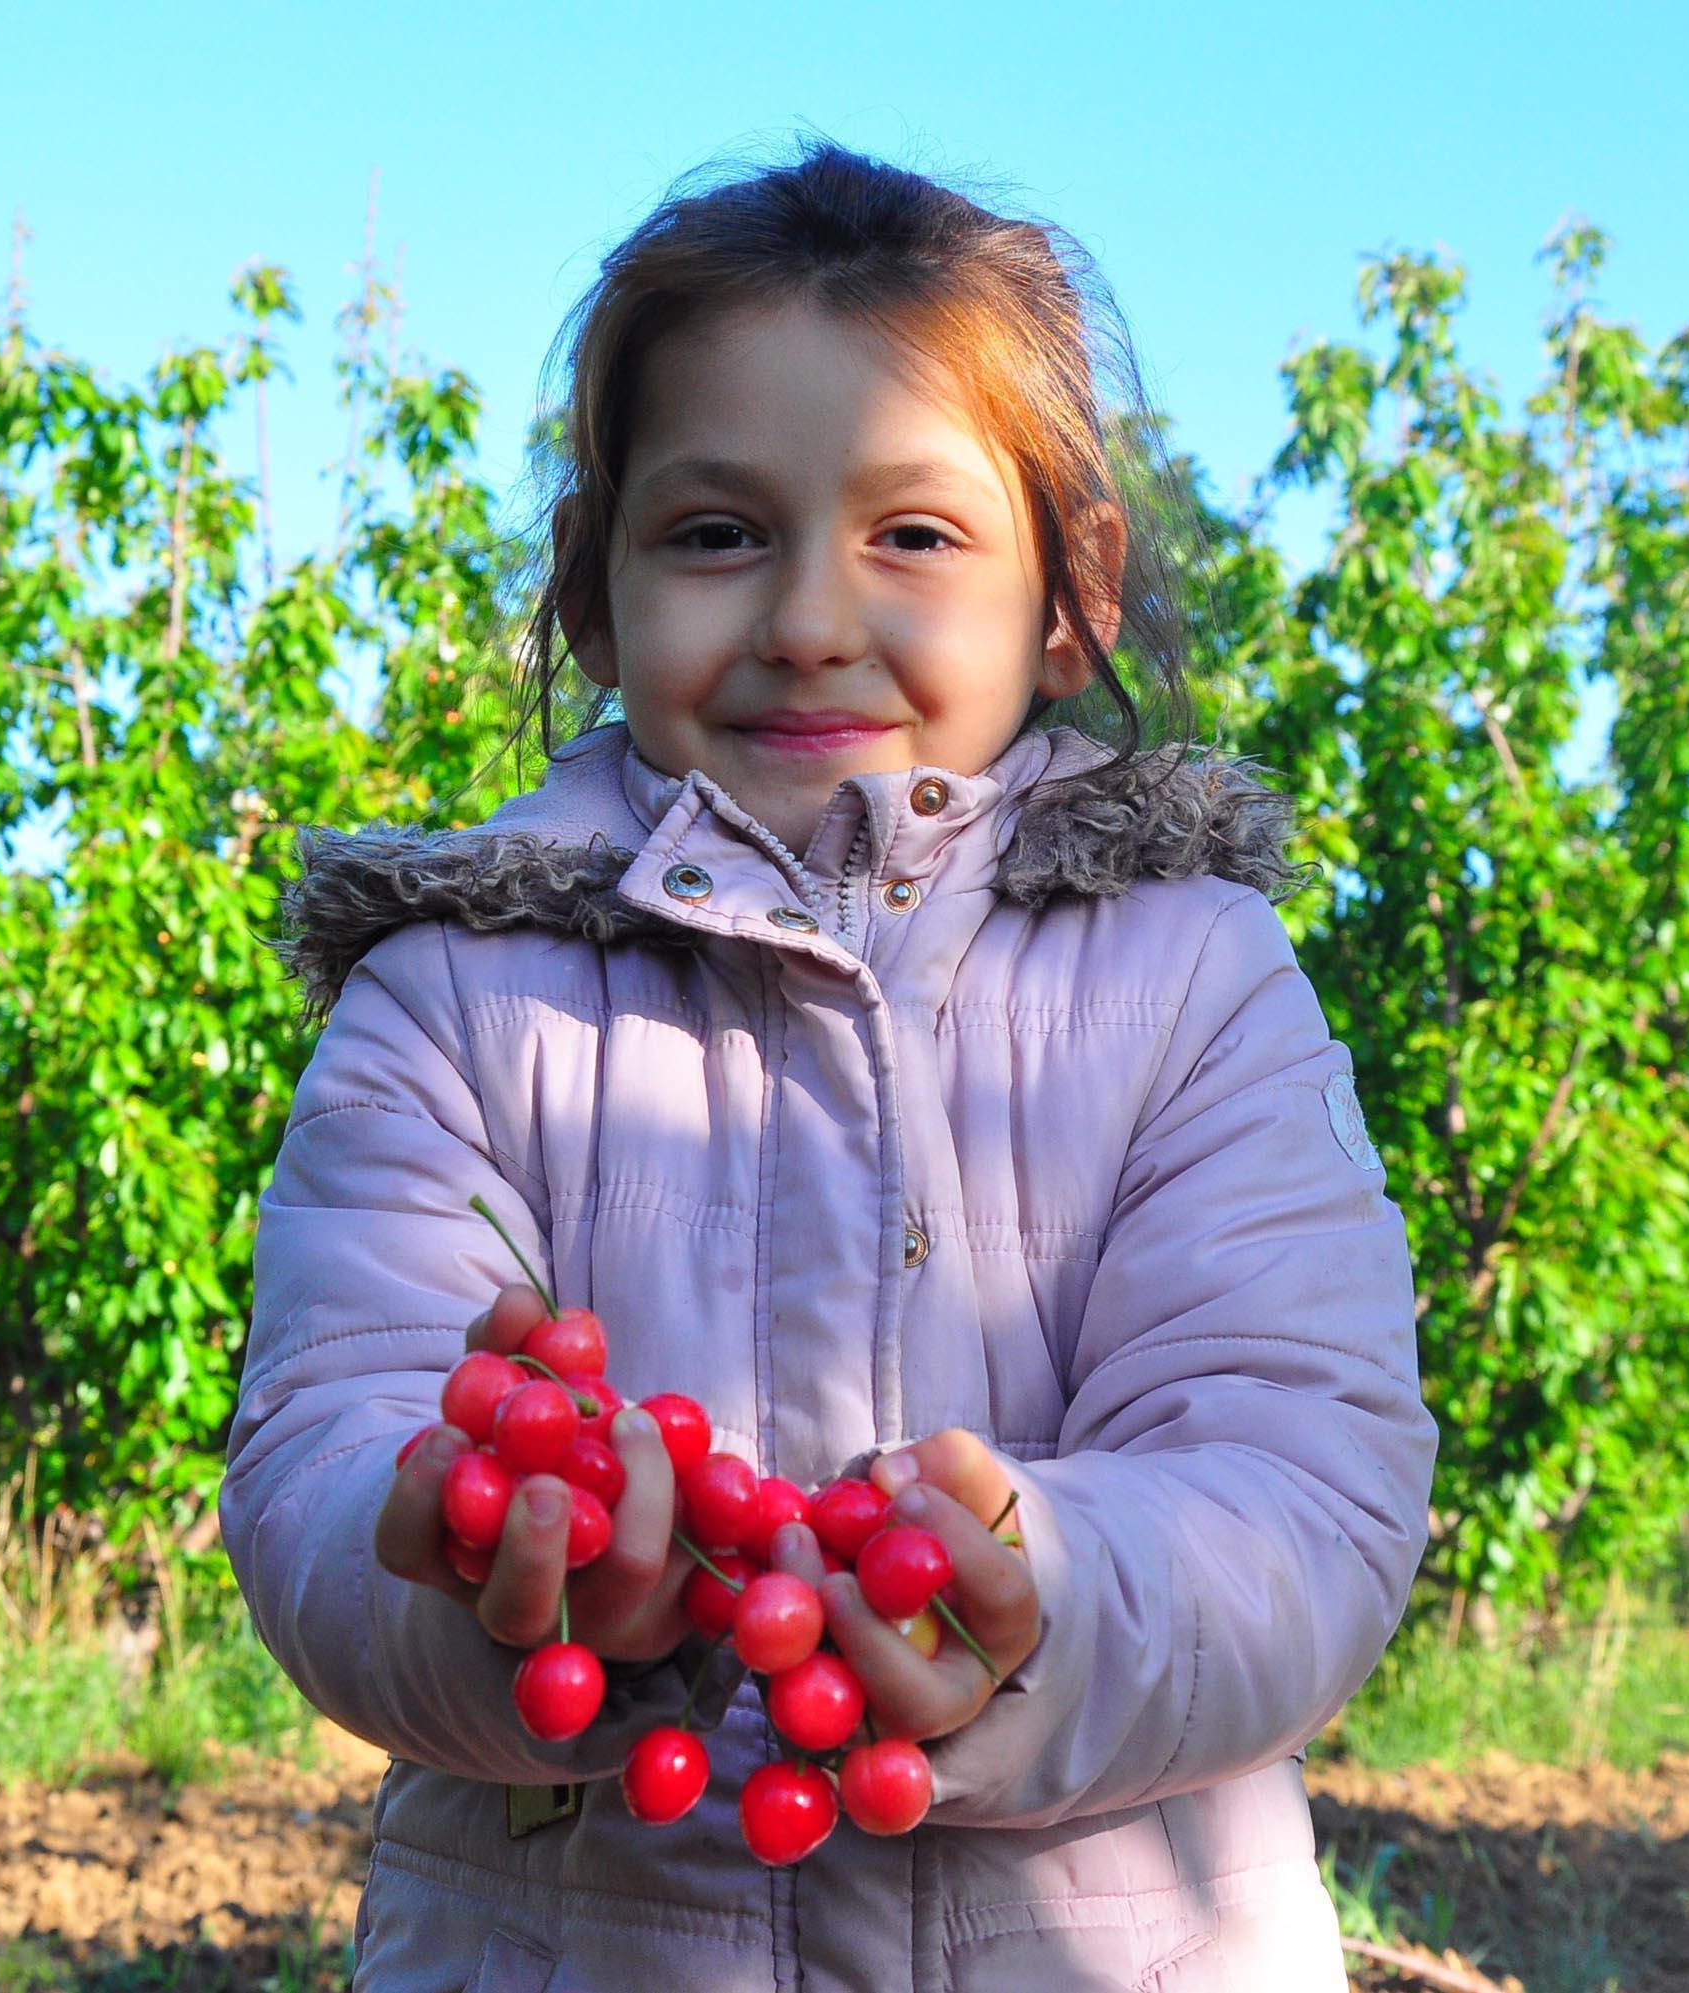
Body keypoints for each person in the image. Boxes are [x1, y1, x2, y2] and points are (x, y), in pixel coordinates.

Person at [224, 140, 1436, 1992]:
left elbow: (1303, 1485)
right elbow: (324, 1456)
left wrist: (1050, 1597)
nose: (806, 616)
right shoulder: (459, 997)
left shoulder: (1192, 979)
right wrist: (472, 1566)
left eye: (915, 535)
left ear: (1072, 591)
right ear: (599, 587)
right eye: (717, 531)